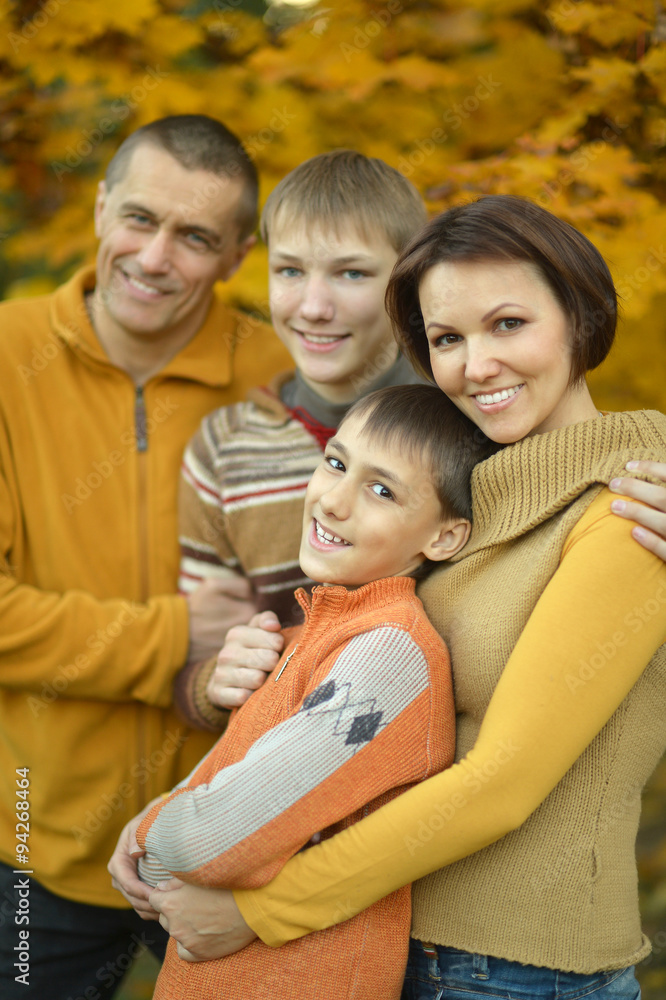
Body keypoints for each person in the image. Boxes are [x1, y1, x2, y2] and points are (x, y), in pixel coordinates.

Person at [0, 114, 291, 1000]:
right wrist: (174, 636)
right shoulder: (6, 355)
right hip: (31, 842)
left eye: (195, 236)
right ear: (97, 208)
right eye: (139, 219)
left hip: (227, 844)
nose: (156, 257)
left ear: (237, 254)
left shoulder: (280, 370)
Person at [132, 383, 485, 999]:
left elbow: (205, 840)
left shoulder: (387, 657)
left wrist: (143, 841)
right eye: (336, 462)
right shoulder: (312, 635)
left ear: (444, 538)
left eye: (381, 490)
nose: (334, 502)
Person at [170, 149, 431, 730]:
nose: (313, 307)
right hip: (289, 776)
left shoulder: (468, 424)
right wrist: (215, 681)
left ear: (408, 281)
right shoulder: (225, 449)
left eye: (352, 273)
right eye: (289, 271)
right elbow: (198, 665)